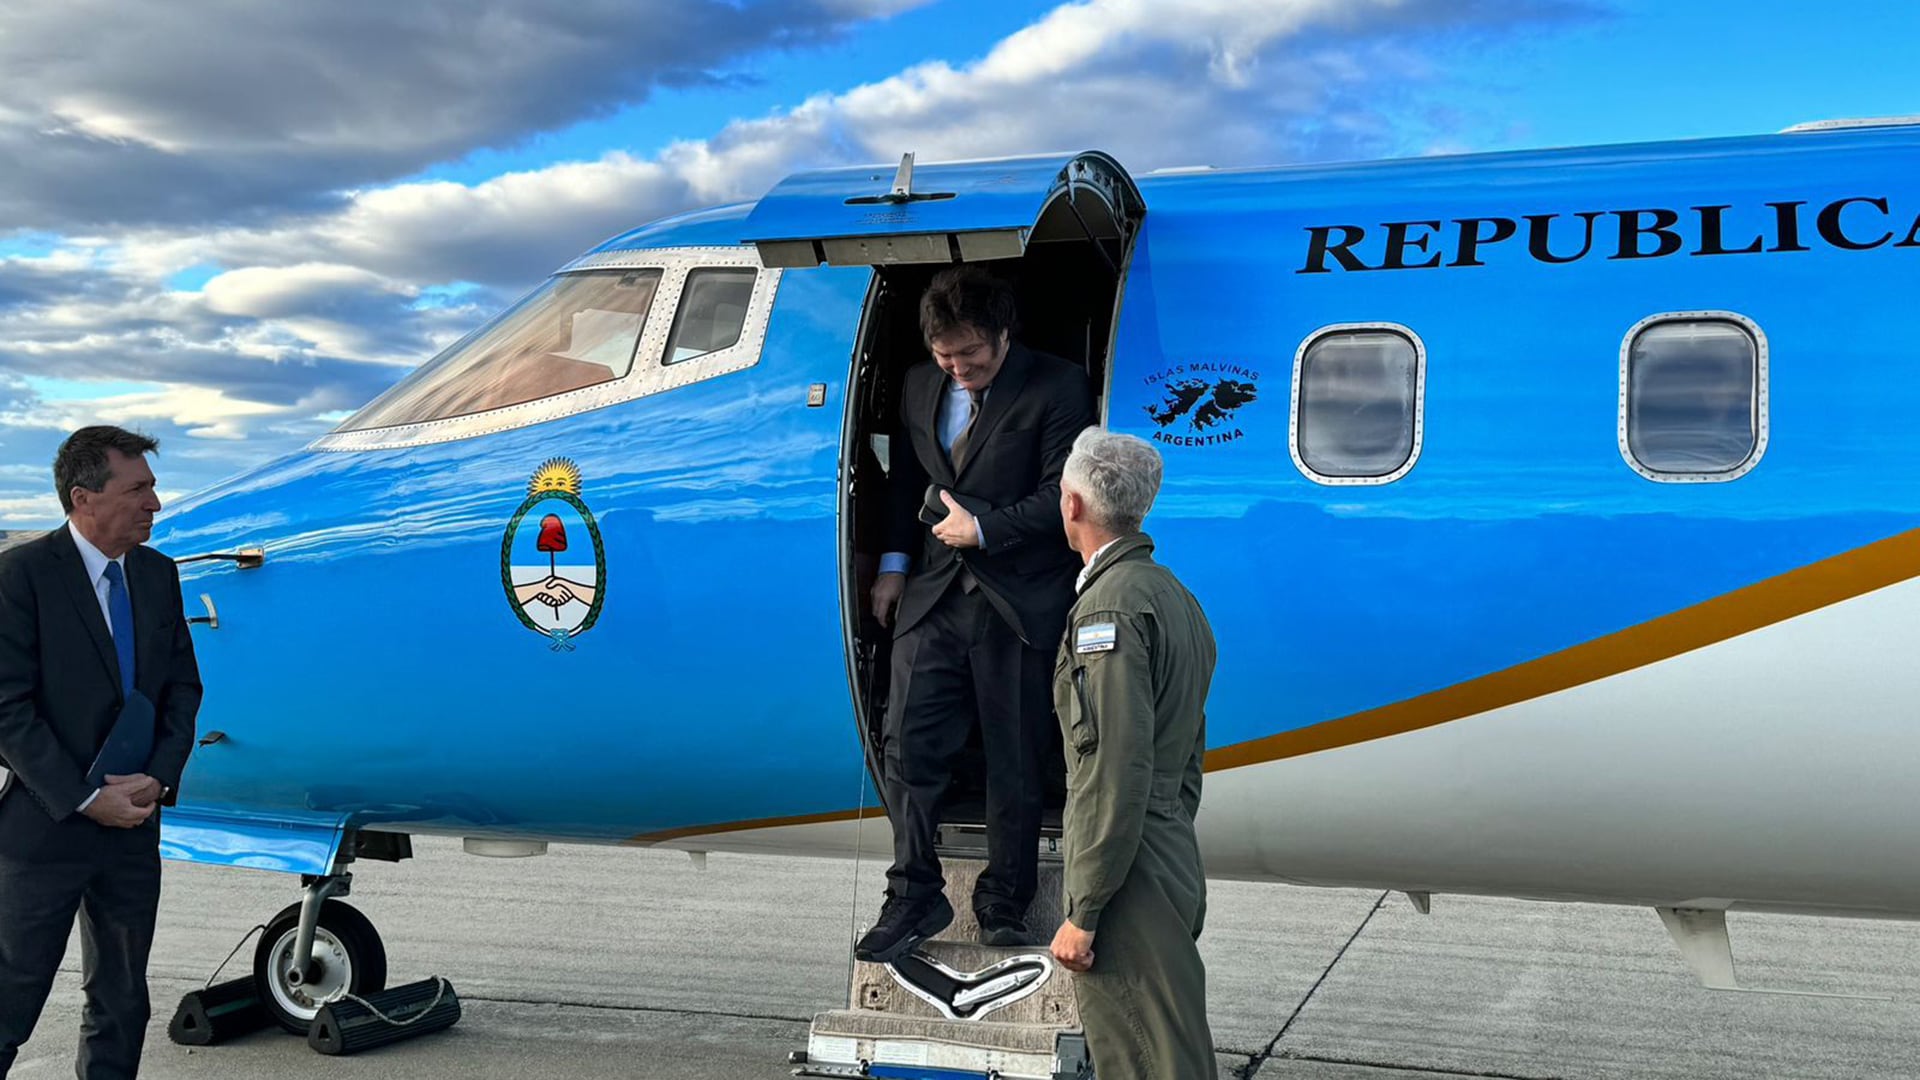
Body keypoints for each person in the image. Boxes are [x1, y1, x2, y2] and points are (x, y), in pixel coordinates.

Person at [858, 267, 1095, 962]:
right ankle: (913, 891)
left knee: (1013, 758)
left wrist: (982, 531)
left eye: (973, 356)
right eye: (946, 357)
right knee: (908, 744)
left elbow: (1063, 495)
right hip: (931, 593)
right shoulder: (917, 384)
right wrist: (893, 565)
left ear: (1003, 333)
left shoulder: (1057, 385)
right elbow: (905, 479)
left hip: (1016, 598)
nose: (959, 370)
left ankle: (1003, 900)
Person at [0, 426, 202, 1080]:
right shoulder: (21, 576)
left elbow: (181, 688)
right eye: (138, 488)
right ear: (83, 498)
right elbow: (8, 707)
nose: (156, 503)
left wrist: (157, 780)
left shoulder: (156, 574)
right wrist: (87, 797)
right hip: (46, 824)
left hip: (133, 828)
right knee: (12, 995)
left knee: (122, 999)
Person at [1048, 428, 1216, 1080]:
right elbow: (1188, 756)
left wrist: (1085, 909)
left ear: (1074, 505)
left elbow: (1113, 764)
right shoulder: (1173, 596)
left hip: (1125, 874)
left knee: (1142, 1058)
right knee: (1170, 1047)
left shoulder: (1110, 607)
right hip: (1164, 851)